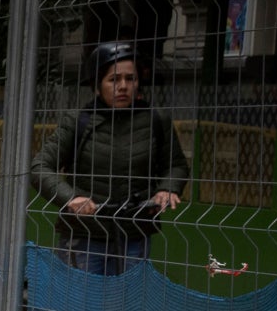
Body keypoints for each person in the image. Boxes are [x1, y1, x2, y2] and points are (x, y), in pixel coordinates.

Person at [33, 41, 189, 275]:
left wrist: (167, 189)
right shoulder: (78, 121)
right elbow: (40, 166)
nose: (123, 86)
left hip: (134, 233)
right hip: (84, 234)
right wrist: (71, 198)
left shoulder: (157, 121)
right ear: (97, 84)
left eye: (131, 78)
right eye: (114, 80)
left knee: (125, 304)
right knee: (79, 303)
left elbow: (175, 165)